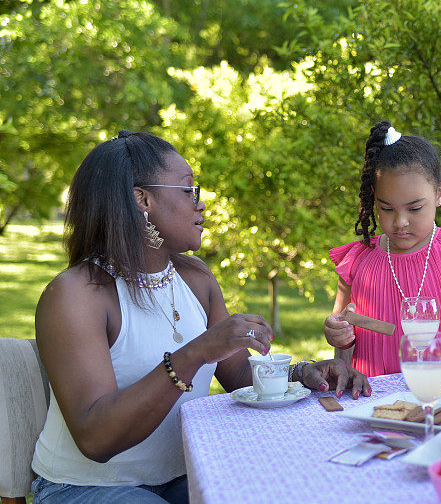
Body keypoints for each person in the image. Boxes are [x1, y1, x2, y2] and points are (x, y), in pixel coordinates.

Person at [30, 131, 370, 503]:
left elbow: (239, 374)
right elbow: (96, 439)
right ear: (142, 199)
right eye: (189, 189)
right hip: (87, 487)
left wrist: (303, 373)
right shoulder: (76, 295)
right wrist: (194, 353)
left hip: (186, 474)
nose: (201, 204)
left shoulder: (195, 278)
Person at [323, 120, 441, 377]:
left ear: (439, 194)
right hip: (375, 398)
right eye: (387, 208)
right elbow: (345, 328)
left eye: (415, 208)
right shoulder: (357, 261)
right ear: (373, 198)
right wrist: (336, 332)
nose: (400, 222)